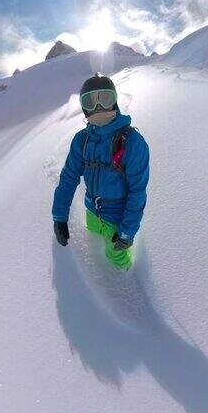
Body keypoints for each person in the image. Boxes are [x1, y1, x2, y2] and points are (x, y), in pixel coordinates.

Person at [52, 73, 150, 270]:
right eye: (90, 101)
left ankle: (125, 283)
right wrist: (59, 216)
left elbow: (137, 191)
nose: (98, 107)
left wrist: (127, 232)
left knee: (117, 258)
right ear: (83, 106)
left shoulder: (132, 142)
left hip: (117, 219)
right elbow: (69, 178)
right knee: (94, 245)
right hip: (92, 212)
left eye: (104, 98)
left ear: (114, 101)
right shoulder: (82, 140)